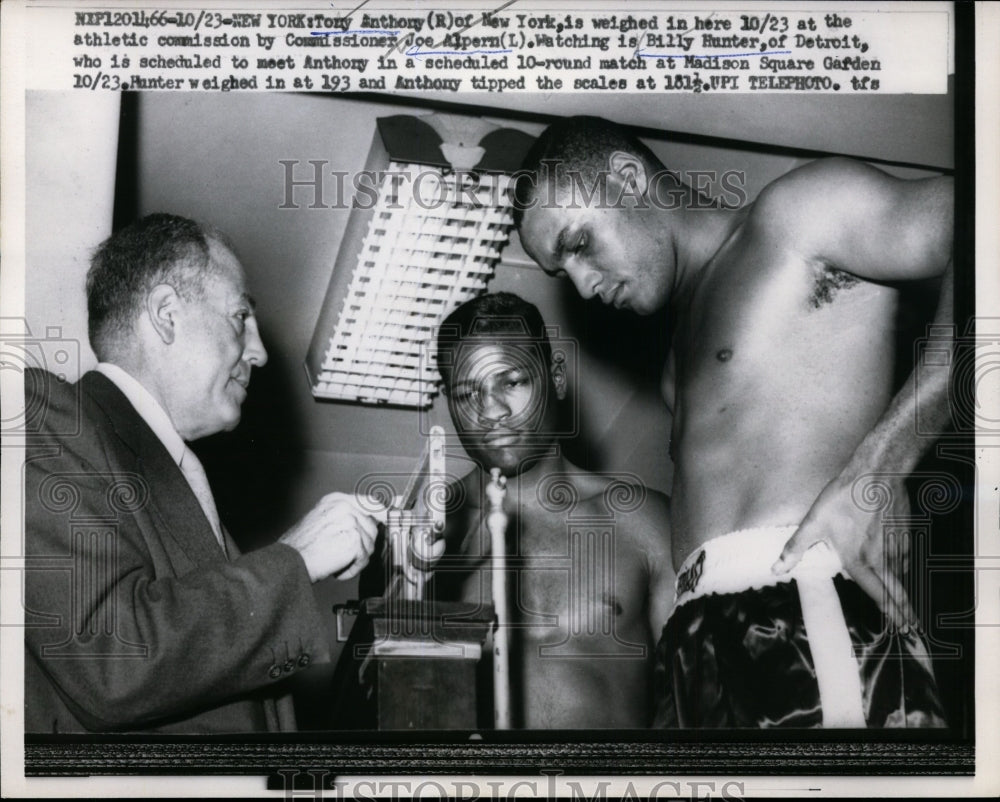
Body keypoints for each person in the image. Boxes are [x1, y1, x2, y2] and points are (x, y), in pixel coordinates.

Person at [513, 116, 952, 728]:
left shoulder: (797, 216)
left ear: (627, 177)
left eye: (579, 243)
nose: (583, 287)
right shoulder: (675, 365)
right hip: (695, 646)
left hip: (807, 606)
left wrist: (881, 468)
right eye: (563, 273)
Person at [24, 214, 384, 733]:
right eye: (240, 316)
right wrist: (297, 559)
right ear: (167, 315)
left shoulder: (191, 502)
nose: (259, 352)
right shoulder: (48, 417)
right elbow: (113, 658)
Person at [427, 292, 674, 728]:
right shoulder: (425, 540)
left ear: (556, 378)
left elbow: (691, 694)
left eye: (512, 382)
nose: (492, 411)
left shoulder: (645, 520)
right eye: (468, 393)